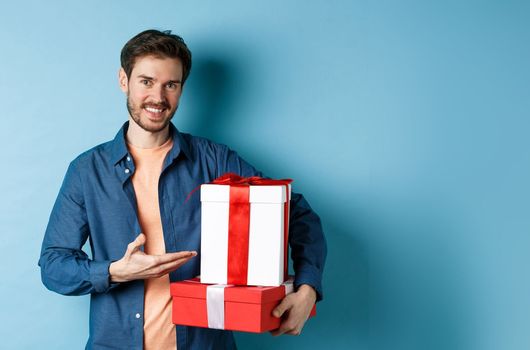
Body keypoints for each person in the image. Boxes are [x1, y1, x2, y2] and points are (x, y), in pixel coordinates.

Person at [38, 29, 327, 350]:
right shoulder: (87, 170)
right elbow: (53, 266)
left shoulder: (215, 160)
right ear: (124, 80)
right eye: (146, 81)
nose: (158, 97)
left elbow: (294, 211)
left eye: (170, 85)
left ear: (181, 89)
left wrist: (307, 289)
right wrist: (114, 271)